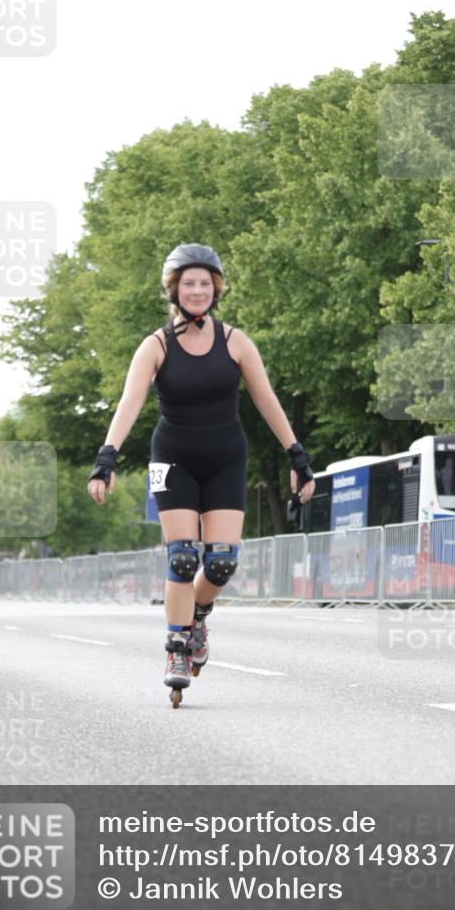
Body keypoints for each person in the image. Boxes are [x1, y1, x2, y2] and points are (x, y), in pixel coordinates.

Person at [87, 243, 315, 707]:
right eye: (188, 283)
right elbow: (129, 404)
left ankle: (198, 616)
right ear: (174, 290)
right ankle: (176, 649)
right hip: (172, 460)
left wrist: (297, 457)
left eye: (205, 283)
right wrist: (106, 459)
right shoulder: (155, 346)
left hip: (226, 458)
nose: (197, 290)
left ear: (216, 289)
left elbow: (266, 400)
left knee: (222, 563)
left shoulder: (235, 342)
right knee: (183, 558)